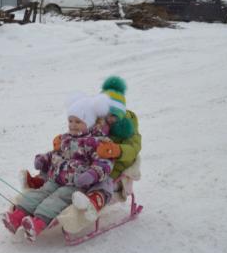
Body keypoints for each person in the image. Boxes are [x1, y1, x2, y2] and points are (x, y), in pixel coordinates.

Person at [20, 76, 142, 222]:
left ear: (120, 114)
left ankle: (90, 203)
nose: (109, 118)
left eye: (113, 116)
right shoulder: (98, 122)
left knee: (102, 183)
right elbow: (80, 133)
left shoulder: (128, 129)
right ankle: (41, 181)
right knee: (61, 161)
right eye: (106, 114)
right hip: (86, 165)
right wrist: (63, 141)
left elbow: (134, 148)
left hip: (113, 169)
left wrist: (117, 150)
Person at [0, 93, 114, 241]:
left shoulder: (97, 142)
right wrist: (44, 159)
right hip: (56, 179)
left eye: (78, 122)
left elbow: (105, 163)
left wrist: (91, 174)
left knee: (56, 199)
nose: (72, 125)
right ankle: (16, 218)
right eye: (70, 121)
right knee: (40, 193)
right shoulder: (66, 138)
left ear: (90, 123)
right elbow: (56, 153)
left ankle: (37, 224)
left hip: (76, 184)